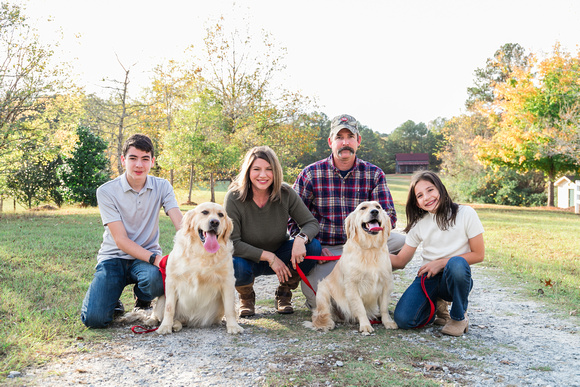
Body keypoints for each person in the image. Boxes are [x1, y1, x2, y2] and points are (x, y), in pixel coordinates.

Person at [290, 113, 406, 308]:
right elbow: (292, 217)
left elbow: (389, 216)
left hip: (362, 244)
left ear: (358, 141)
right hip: (327, 249)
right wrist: (312, 244)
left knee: (403, 243)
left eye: (350, 137)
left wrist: (366, 237)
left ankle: (370, 280)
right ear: (330, 142)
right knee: (319, 301)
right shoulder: (310, 174)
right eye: (339, 137)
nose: (345, 142)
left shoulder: (374, 173)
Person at [80, 134, 183, 328]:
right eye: (133, 158)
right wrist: (157, 259)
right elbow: (121, 240)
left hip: (144, 261)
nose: (139, 165)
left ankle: (143, 298)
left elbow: (180, 223)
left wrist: (202, 236)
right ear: (123, 160)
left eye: (145, 159)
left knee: (157, 281)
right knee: (94, 320)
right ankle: (113, 300)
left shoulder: (162, 186)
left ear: (152, 161)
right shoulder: (106, 191)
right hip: (113, 259)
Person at [224, 146, 322, 317]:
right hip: (247, 257)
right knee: (234, 264)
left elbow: (311, 223)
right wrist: (269, 257)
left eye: (269, 169)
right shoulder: (234, 197)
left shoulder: (285, 192)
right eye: (257, 169)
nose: (263, 175)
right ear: (248, 171)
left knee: (312, 247)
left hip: (281, 252)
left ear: (275, 171)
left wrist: (300, 238)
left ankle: (284, 293)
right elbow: (232, 243)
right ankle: (246, 297)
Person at [390, 170, 485, 336]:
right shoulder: (419, 224)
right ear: (417, 203)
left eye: (430, 190)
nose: (426, 197)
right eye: (419, 196)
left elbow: (478, 254)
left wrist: (441, 262)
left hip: (455, 277)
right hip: (429, 277)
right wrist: (370, 255)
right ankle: (436, 306)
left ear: (440, 188)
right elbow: (400, 260)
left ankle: (458, 316)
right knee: (404, 320)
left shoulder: (466, 214)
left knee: (456, 263)